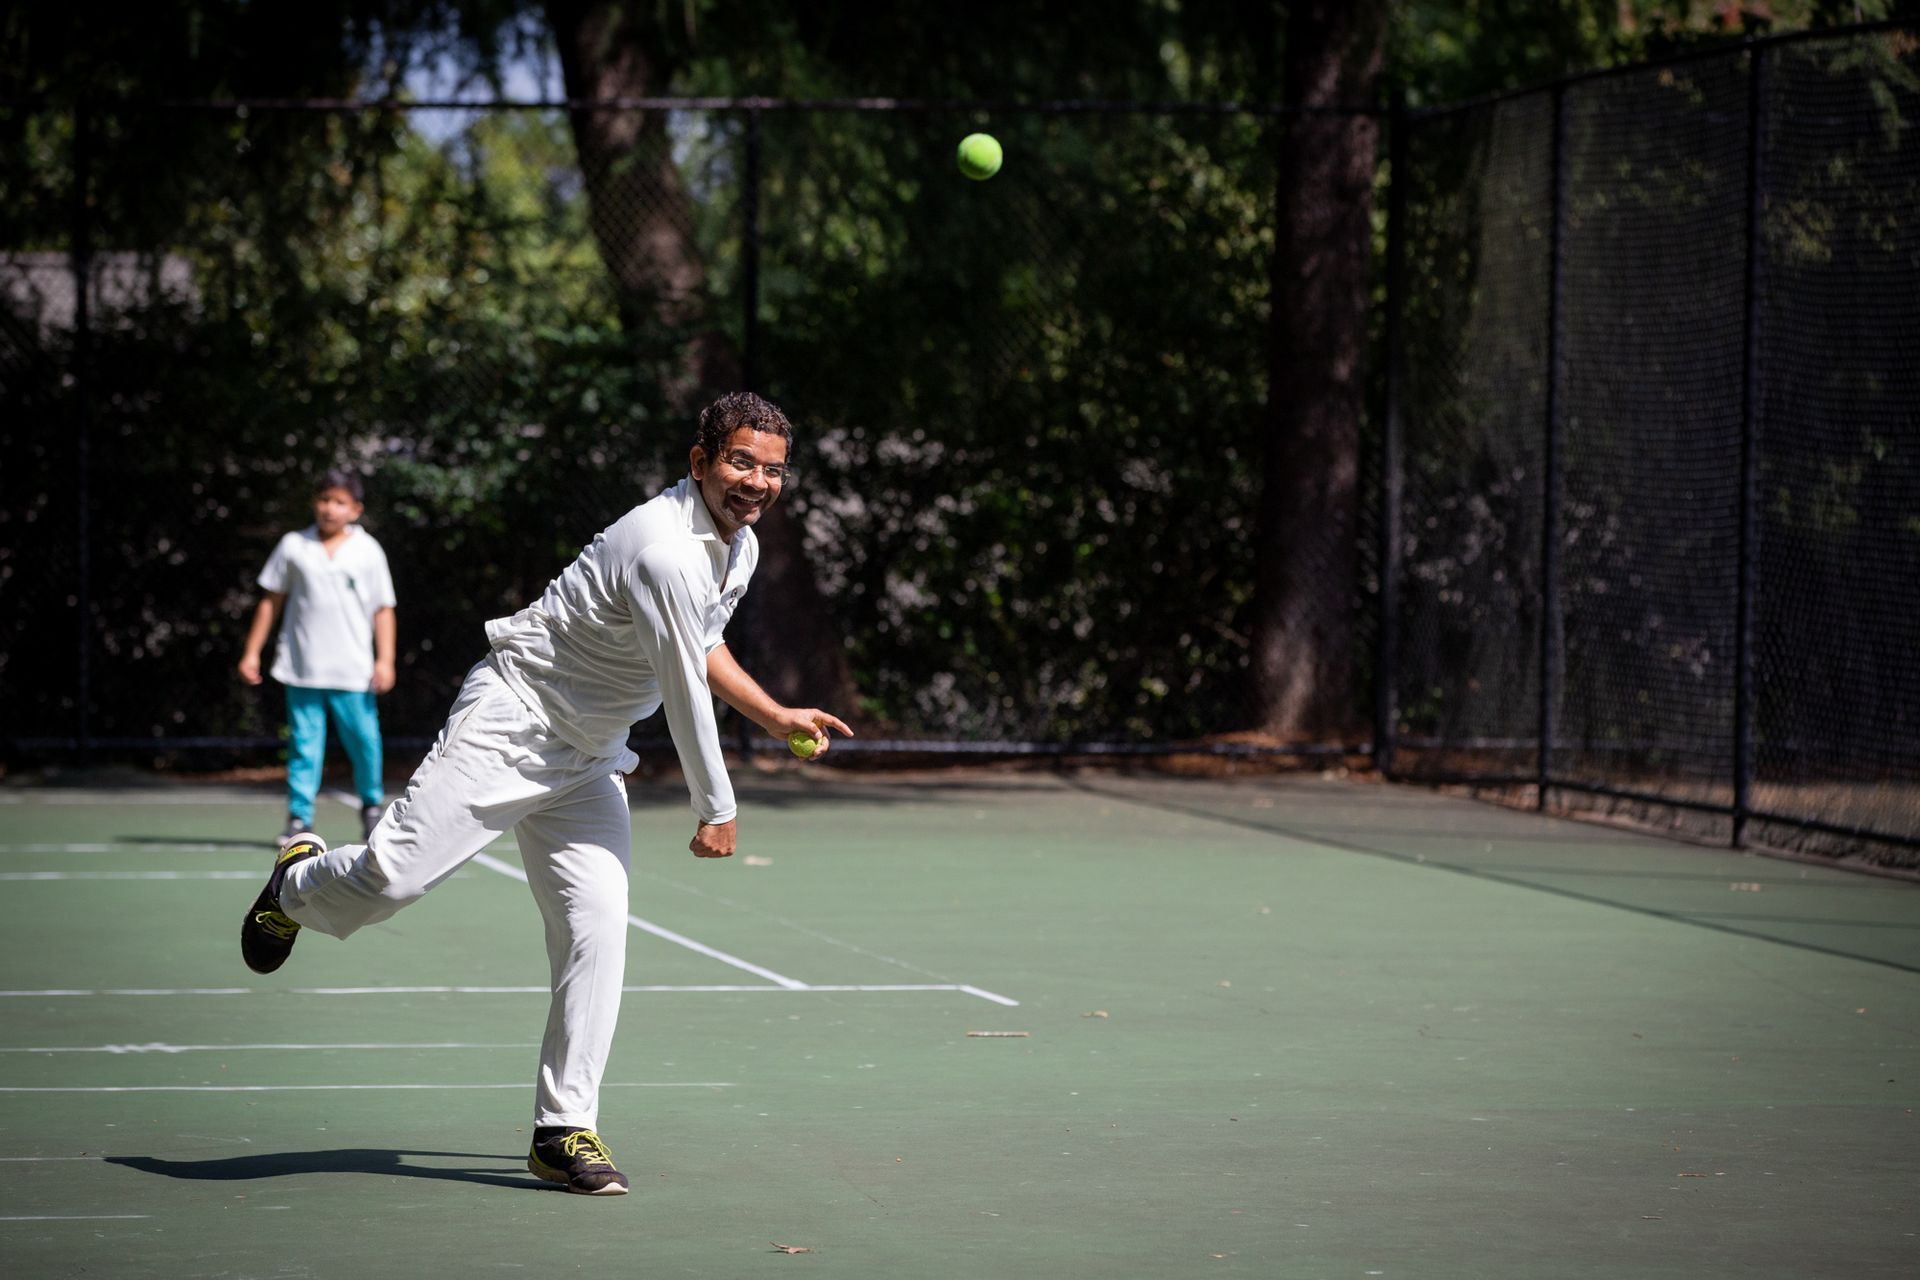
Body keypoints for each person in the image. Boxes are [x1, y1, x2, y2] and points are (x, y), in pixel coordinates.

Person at [239, 392, 852, 1197]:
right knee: (392, 880)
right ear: (699, 462)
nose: (757, 482)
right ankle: (295, 882)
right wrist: (718, 806)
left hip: (590, 757)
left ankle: (562, 1130)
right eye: (741, 462)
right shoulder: (662, 546)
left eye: (772, 470)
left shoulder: (735, 546)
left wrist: (773, 714)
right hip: (513, 719)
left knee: (596, 931)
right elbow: (679, 684)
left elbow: (699, 643)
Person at [238, 469, 397, 844]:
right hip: (302, 668)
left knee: (364, 741)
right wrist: (250, 653)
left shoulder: (368, 550)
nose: (330, 508)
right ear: (315, 503)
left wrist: (385, 659)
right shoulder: (294, 546)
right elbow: (270, 601)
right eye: (324, 500)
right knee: (304, 746)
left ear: (355, 509)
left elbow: (383, 609)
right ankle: (298, 819)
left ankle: (372, 808)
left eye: (340, 502)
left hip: (354, 672)